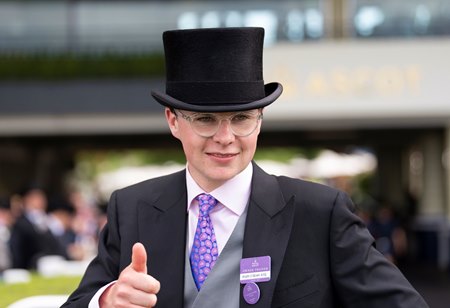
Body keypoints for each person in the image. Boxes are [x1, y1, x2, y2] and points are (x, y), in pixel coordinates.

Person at [62, 27, 428, 307]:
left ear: (261, 119)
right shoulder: (132, 208)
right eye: (205, 120)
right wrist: (107, 299)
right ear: (173, 121)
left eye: (242, 118)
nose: (226, 137)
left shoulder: (320, 212)